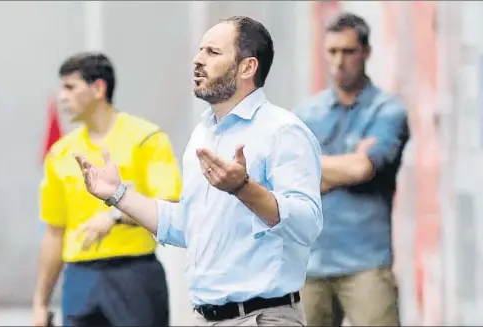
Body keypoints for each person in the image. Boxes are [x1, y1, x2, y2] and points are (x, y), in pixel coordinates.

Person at [74, 16, 323, 327]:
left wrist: (243, 188)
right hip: (204, 317)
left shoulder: (283, 131)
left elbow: (307, 224)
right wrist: (118, 195)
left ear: (247, 67)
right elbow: (187, 226)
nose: (197, 59)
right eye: (200, 50)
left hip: (262, 317)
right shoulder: (203, 134)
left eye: (212, 52)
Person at [32, 52, 182, 327]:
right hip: (79, 277)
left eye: (70, 87)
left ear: (99, 88)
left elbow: (168, 202)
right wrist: (41, 303)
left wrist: (115, 217)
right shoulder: (60, 153)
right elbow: (55, 231)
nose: (61, 96)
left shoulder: (147, 139)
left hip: (134, 273)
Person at [293, 13, 409, 326]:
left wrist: (319, 171)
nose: (339, 61)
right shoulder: (307, 113)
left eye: (348, 51)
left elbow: (362, 169)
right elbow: (288, 177)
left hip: (366, 263)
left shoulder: (388, 111)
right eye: (332, 52)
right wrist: (345, 167)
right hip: (310, 263)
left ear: (366, 52)